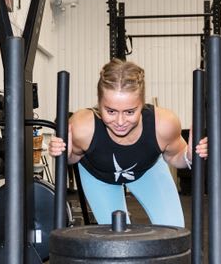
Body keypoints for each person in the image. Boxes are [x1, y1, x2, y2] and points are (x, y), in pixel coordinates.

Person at [48, 59, 206, 228]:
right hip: (99, 176)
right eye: (111, 111)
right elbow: (73, 157)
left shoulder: (163, 124)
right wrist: (64, 153)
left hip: (147, 170)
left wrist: (189, 156)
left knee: (174, 230)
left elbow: (175, 156)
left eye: (130, 112)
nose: (120, 122)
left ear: (142, 104)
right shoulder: (82, 127)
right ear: (99, 104)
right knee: (117, 238)